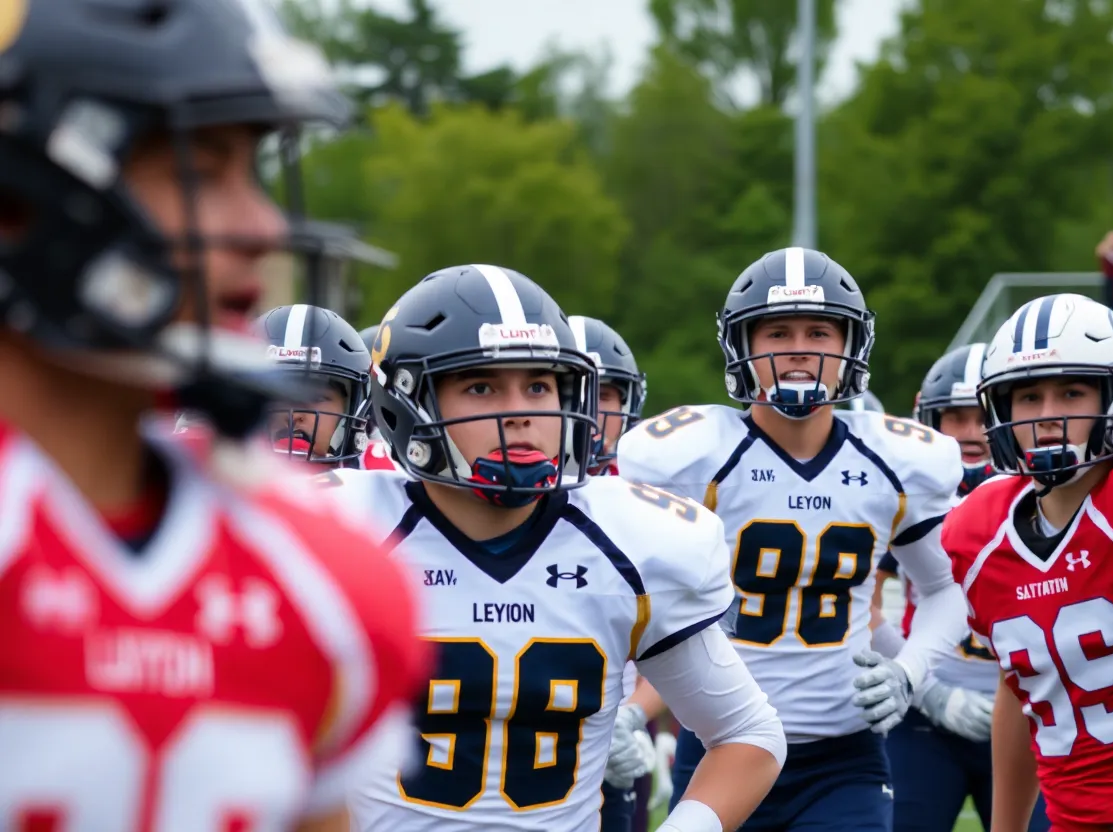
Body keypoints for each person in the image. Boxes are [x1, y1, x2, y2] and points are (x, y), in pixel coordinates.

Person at [0, 0, 429, 828]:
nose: (263, 226)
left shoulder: (327, 578)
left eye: (256, 171)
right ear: (19, 198)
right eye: (202, 171)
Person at [325, 264, 786, 832]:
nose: (521, 411)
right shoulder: (339, 534)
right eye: (480, 386)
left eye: (539, 385)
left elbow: (748, 734)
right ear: (406, 401)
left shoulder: (631, 540)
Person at [618, 247, 968, 831]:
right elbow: (630, 605)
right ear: (743, 347)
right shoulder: (689, 455)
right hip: (718, 747)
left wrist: (909, 670)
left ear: (850, 346)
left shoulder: (895, 458)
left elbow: (947, 588)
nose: (800, 347)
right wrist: (622, 713)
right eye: (777, 331)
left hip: (844, 758)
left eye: (819, 330)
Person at [943, 293, 1113, 832]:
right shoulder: (978, 531)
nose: (1049, 417)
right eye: (1028, 397)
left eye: (1071, 391)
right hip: (1075, 820)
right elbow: (1021, 687)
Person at [872, 342, 1050, 832]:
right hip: (925, 721)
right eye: (954, 417)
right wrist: (925, 689)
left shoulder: (1050, 495)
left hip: (1034, 713)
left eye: (982, 416)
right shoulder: (908, 496)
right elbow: (858, 604)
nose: (971, 433)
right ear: (929, 419)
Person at [569, 314, 654, 832]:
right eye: (576, 390)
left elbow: (684, 647)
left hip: (614, 738)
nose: (593, 412)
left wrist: (632, 717)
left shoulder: (653, 505)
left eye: (609, 394)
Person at [256, 303, 398, 469]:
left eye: (317, 397)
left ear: (350, 408)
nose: (294, 414)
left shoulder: (376, 481)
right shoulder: (221, 486)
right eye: (277, 395)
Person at [569, 315, 647, 478]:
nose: (586, 410)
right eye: (571, 393)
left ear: (627, 406)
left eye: (601, 396)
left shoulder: (649, 480)